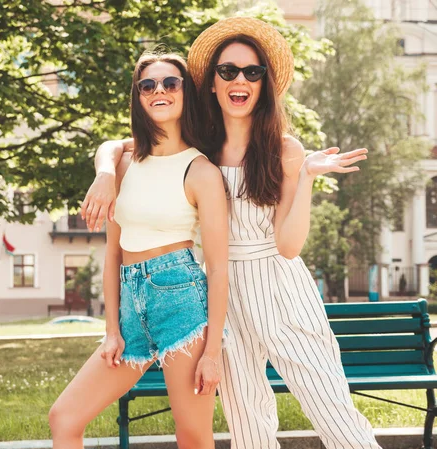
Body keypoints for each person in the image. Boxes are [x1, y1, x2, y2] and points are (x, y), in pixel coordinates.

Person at [80, 17, 381, 449]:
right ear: (212, 84)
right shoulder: (199, 142)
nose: (240, 80)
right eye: (228, 71)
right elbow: (118, 144)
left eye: (252, 72)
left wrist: (307, 178)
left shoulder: (285, 148)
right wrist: (106, 173)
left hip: (281, 288)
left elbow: (289, 245)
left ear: (264, 84)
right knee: (247, 424)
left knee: (332, 410)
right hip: (222, 292)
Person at [49, 50, 228, 449]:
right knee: (64, 417)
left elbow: (217, 268)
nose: (158, 91)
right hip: (130, 305)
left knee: (193, 436)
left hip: (181, 300)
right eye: (147, 85)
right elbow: (113, 254)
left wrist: (212, 352)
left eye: (170, 83)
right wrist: (111, 330)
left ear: (187, 93)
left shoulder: (201, 171)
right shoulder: (124, 164)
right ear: (138, 96)